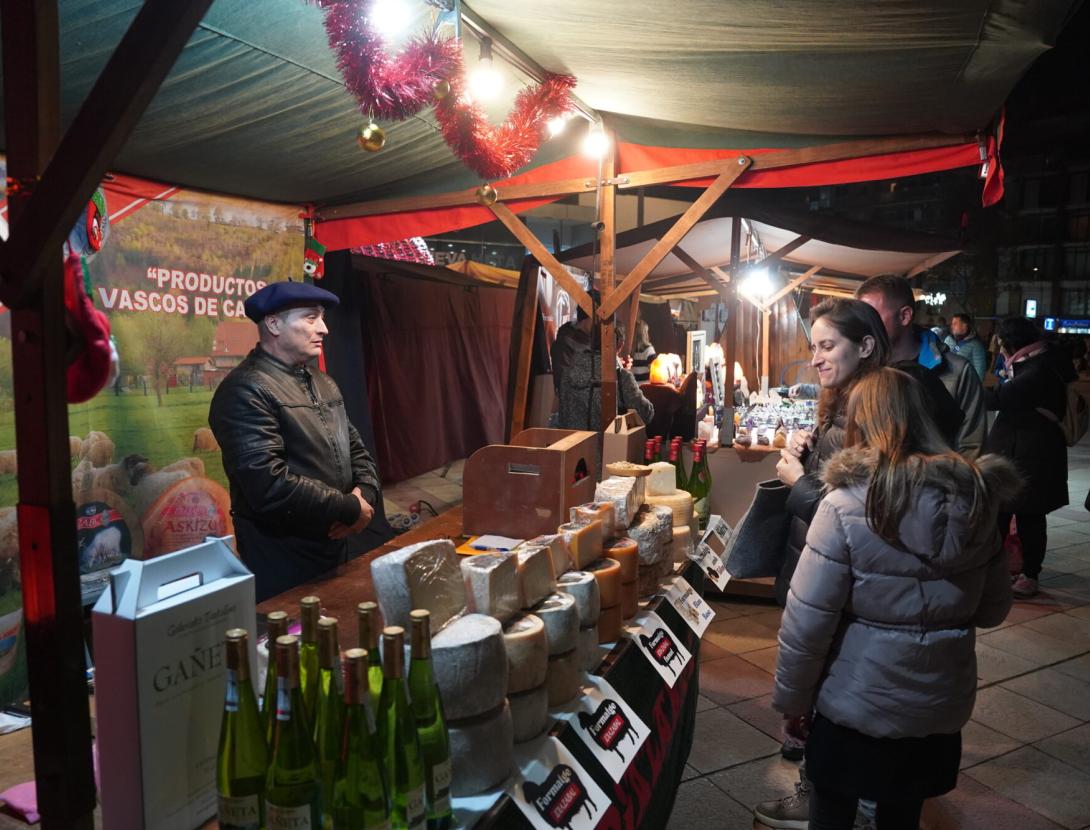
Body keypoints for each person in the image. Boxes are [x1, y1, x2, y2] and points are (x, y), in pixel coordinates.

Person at [773, 367, 1017, 830]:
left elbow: (808, 623)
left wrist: (793, 702)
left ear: (862, 422)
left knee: (832, 814)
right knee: (902, 815)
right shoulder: (979, 498)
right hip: (937, 707)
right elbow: (993, 609)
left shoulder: (845, 504)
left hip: (853, 703)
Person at [209, 282, 380, 602]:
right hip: (284, 564)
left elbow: (356, 450)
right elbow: (268, 485)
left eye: (323, 317)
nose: (325, 328)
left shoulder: (324, 382)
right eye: (311, 318)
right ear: (273, 324)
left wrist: (363, 496)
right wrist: (348, 507)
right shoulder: (244, 391)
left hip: (336, 548)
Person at [984, 316, 1074, 597]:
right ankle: (1008, 571)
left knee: (1028, 517)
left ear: (1011, 342)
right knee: (1011, 514)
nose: (999, 350)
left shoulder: (1039, 369)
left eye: (1000, 343)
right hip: (1025, 453)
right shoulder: (1045, 360)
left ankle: (1028, 574)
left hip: (1029, 456)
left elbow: (998, 398)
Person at [857, 275, 985, 456]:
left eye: (873, 316)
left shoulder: (957, 372)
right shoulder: (859, 368)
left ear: (905, 316)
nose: (864, 326)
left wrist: (934, 482)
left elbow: (971, 447)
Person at [554, 295, 654, 430]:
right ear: (620, 344)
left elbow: (563, 409)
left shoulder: (568, 371)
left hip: (571, 446)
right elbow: (646, 413)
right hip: (608, 448)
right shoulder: (621, 377)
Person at [944, 313, 988, 380]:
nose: (952, 326)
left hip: (964, 384)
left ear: (964, 326)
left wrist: (974, 388)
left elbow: (980, 371)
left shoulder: (976, 345)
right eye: (952, 324)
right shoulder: (948, 340)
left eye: (955, 324)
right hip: (947, 382)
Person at [630, 319, 656, 384]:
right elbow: (655, 371)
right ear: (645, 333)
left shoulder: (630, 350)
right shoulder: (649, 350)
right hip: (646, 388)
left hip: (633, 387)